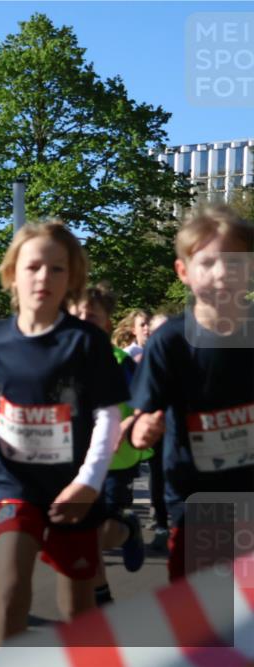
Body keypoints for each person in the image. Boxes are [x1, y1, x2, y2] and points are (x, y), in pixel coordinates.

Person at [0, 221, 127, 645]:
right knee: (11, 590)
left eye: (57, 269)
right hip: (14, 481)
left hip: (73, 485)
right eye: (33, 266)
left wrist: (89, 484)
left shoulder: (86, 342)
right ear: (12, 272)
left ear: (72, 277)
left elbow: (108, 420)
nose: (43, 278)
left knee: (77, 608)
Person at [128, 206, 254, 581]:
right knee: (202, 614)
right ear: (183, 272)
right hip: (196, 496)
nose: (222, 273)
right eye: (208, 263)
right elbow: (141, 419)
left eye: (234, 262)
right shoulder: (170, 341)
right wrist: (142, 429)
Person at [69, 285, 148, 605]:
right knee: (82, 535)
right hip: (75, 460)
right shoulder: (62, 358)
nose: (84, 321)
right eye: (78, 316)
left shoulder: (119, 361)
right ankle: (102, 599)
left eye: (92, 316)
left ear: (105, 322)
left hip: (116, 459)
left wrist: (132, 423)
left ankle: (129, 527)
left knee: (102, 534)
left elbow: (146, 399)